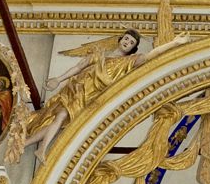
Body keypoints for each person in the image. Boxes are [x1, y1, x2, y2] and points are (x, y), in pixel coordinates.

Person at [24, 29, 146, 162]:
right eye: (126, 39)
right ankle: (41, 149)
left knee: (59, 120)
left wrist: (170, 46)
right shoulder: (100, 54)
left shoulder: (125, 63)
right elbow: (79, 67)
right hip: (77, 90)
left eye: (131, 43)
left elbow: (147, 57)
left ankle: (30, 144)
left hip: (88, 99)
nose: (127, 43)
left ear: (133, 48)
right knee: (61, 116)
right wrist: (58, 79)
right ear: (121, 39)